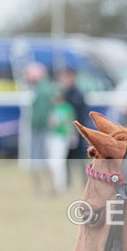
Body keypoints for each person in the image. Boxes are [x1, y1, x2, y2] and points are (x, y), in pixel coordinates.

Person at [58, 67, 91, 189]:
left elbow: (82, 115)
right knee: (65, 158)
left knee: (82, 159)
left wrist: (79, 130)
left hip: (77, 131)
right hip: (65, 132)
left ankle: (86, 184)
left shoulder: (78, 95)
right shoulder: (63, 94)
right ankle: (67, 184)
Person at [26, 62, 55, 194]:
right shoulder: (43, 88)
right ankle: (47, 187)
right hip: (43, 129)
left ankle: (42, 188)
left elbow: (41, 113)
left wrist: (36, 124)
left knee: (39, 159)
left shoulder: (42, 90)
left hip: (40, 129)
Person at [45, 90, 74, 194]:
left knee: (58, 163)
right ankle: (56, 185)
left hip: (62, 137)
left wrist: (71, 136)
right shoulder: (54, 108)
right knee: (54, 163)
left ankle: (60, 186)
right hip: (54, 136)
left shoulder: (65, 108)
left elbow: (66, 122)